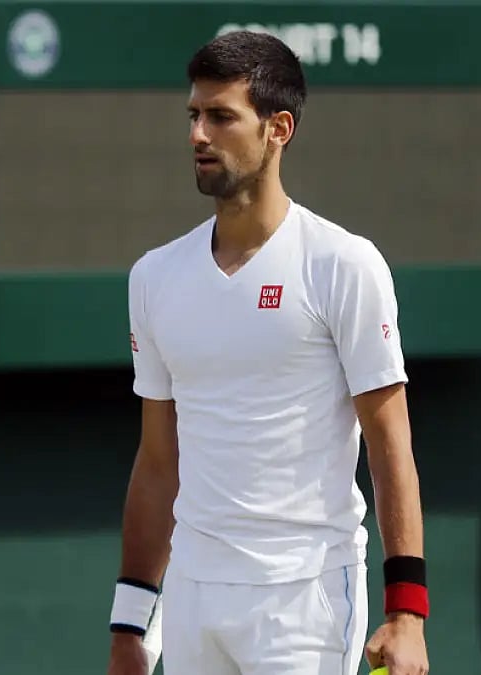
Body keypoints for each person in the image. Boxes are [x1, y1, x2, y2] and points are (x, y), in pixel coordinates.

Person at [105, 32, 429, 675]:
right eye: (194, 115)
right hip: (193, 601)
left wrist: (406, 613)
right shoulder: (153, 277)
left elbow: (390, 444)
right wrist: (129, 627)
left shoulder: (344, 264)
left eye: (221, 116)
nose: (199, 133)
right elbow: (156, 462)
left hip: (303, 602)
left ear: (279, 128)